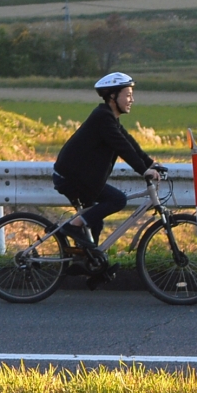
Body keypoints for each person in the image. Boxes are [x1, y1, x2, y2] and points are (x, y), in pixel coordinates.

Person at [51, 71, 163, 287]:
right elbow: (121, 148)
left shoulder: (108, 117)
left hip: (80, 177)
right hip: (72, 177)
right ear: (113, 96)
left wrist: (149, 163)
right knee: (117, 200)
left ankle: (88, 264)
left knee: (96, 220)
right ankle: (73, 226)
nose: (132, 99)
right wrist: (144, 170)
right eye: (128, 94)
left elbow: (128, 141)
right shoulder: (103, 118)